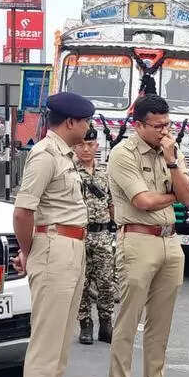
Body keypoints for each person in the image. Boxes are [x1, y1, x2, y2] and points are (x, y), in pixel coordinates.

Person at [105, 94, 189, 377]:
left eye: (167, 124)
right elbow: (142, 201)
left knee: (161, 321)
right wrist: (174, 195)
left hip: (170, 241)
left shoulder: (171, 152)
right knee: (128, 319)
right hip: (137, 238)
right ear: (138, 125)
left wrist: (172, 163)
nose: (164, 131)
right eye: (157, 126)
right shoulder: (123, 154)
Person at [12, 91, 95, 377]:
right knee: (46, 343)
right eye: (85, 121)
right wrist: (28, 251)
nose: (88, 127)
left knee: (60, 342)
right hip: (53, 247)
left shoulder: (65, 155)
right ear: (71, 122)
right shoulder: (45, 154)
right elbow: (23, 211)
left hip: (71, 246)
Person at [73, 138, 115, 345]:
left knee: (106, 281)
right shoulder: (71, 172)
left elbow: (112, 202)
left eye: (90, 144)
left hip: (103, 234)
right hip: (80, 234)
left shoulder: (105, 173)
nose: (86, 149)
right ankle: (85, 324)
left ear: (97, 146)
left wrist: (118, 227)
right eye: (81, 145)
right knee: (82, 282)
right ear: (75, 147)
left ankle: (106, 324)